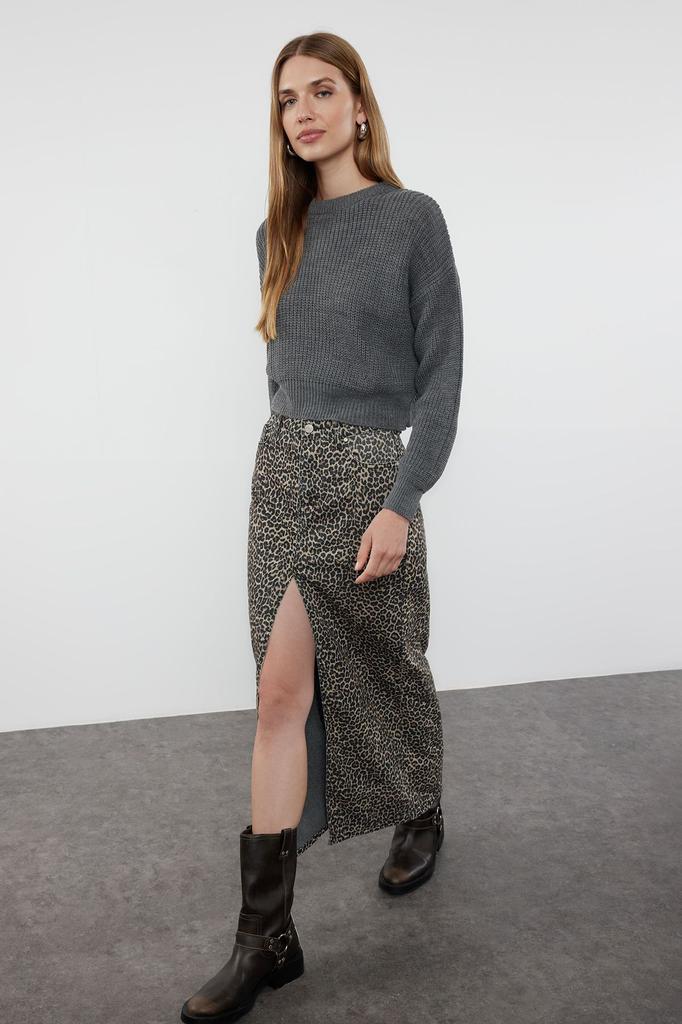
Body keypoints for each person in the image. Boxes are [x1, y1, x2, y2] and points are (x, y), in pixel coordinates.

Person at [180, 29, 463, 1024]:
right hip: (282, 476)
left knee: (386, 665)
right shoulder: (276, 233)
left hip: (366, 476)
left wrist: (401, 501)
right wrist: (283, 460)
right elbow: (282, 373)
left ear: (359, 105)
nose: (302, 111)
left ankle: (420, 803)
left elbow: (443, 380)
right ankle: (267, 939)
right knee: (278, 694)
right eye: (286, 99)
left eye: (321, 90)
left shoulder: (413, 220)